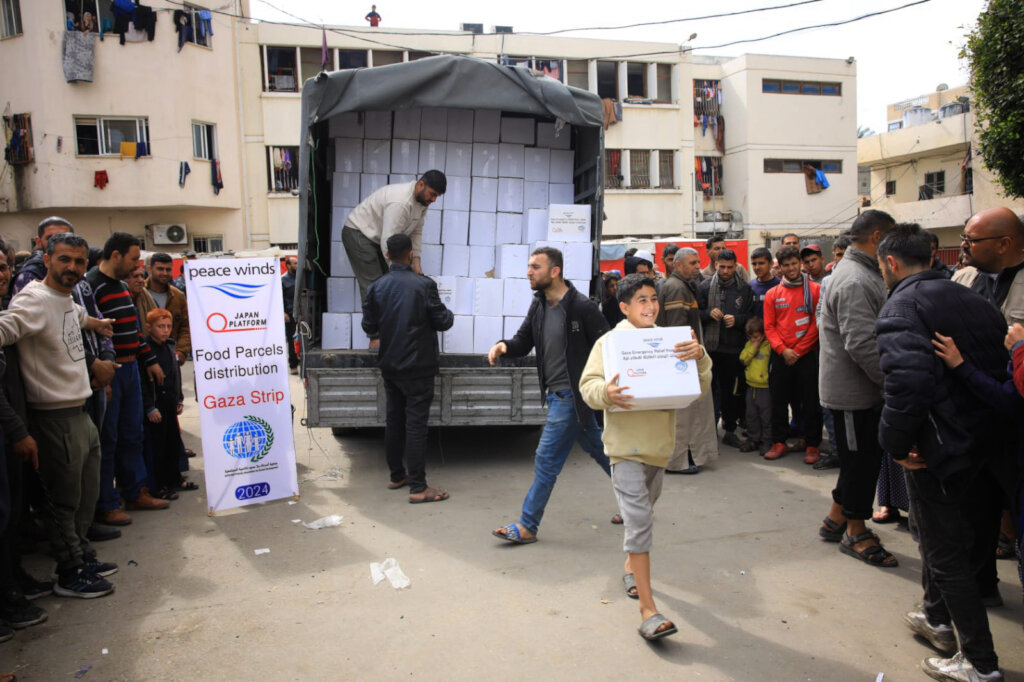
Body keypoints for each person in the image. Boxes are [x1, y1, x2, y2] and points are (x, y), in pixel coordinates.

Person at [875, 222, 1007, 682]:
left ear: (890, 263)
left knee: (945, 551)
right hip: (985, 444)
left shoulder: (902, 306)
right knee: (959, 544)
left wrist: (896, 445)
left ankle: (979, 662)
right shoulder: (976, 300)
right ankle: (935, 618)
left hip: (938, 451)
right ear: (932, 257)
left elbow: (906, 387)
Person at [579, 273, 710, 641]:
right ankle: (648, 610)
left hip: (658, 450)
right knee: (638, 521)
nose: (650, 306)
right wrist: (606, 392)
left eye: (653, 298)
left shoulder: (673, 341)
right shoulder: (610, 343)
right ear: (623, 307)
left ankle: (629, 567)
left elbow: (699, 386)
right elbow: (588, 386)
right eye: (641, 300)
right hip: (623, 450)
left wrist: (699, 356)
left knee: (646, 512)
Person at [0, 233, 117, 598]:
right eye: (64, 259)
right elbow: (8, 328)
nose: (72, 268)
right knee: (63, 503)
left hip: (79, 410)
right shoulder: (33, 299)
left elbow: (77, 316)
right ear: (47, 258)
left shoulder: (64, 299)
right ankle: (70, 572)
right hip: (53, 418)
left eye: (79, 262)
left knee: (86, 497)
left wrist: (97, 324)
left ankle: (81, 555)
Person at [489, 247, 612, 543]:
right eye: (529, 266)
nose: (529, 272)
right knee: (601, 451)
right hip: (557, 394)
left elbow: (607, 346)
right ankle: (640, 497)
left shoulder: (582, 307)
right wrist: (504, 346)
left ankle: (528, 525)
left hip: (573, 395)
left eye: (535, 267)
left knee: (546, 458)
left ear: (554, 271)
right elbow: (523, 340)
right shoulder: (539, 304)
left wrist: (603, 390)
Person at [815, 209, 899, 565]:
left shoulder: (857, 273)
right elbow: (862, 344)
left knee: (858, 460)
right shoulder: (854, 279)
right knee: (860, 463)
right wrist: (892, 382)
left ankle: (836, 517)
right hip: (853, 393)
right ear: (878, 237)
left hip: (857, 390)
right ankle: (855, 531)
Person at [362, 234, 454, 503]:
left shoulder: (376, 287)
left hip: (390, 365)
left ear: (387, 255)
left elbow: (369, 327)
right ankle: (417, 487)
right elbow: (443, 322)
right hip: (419, 366)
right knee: (415, 426)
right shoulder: (424, 285)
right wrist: (447, 313)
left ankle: (396, 475)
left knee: (394, 421)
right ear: (411, 253)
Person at [86, 233, 169, 526]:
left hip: (132, 371)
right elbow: (91, 337)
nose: (139, 266)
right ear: (116, 255)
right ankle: (107, 504)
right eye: (134, 259)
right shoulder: (90, 286)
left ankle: (135, 492)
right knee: (108, 439)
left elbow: (134, 330)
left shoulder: (121, 288)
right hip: (112, 373)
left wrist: (149, 361)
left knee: (133, 434)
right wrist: (103, 375)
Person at [0, 238, 49, 634]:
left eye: (3, 266)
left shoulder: (7, 313)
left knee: (12, 513)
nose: (1, 274)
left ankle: (14, 582)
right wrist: (17, 428)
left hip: (14, 428)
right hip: (10, 429)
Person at [342, 171, 446, 316]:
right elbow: (388, 240)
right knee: (375, 286)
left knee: (390, 284)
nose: (434, 199)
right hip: (359, 233)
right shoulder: (400, 203)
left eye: (437, 196)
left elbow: (416, 232)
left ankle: (389, 330)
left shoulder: (423, 201)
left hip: (378, 237)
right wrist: (400, 272)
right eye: (432, 194)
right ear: (421, 184)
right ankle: (375, 337)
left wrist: (416, 263)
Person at [656, 247, 718, 473]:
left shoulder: (681, 286)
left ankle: (687, 458)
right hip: (683, 359)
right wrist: (684, 362)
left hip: (689, 358)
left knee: (690, 415)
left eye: (698, 262)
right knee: (683, 417)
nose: (697, 267)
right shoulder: (675, 288)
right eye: (692, 263)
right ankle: (679, 461)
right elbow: (676, 330)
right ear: (678, 265)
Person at [762, 246, 822, 463]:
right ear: (780, 267)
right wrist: (783, 350)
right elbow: (769, 327)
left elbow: (817, 323)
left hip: (806, 354)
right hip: (781, 355)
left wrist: (798, 350)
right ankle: (779, 442)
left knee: (811, 402)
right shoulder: (772, 294)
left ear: (801, 264)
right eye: (786, 265)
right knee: (778, 401)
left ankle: (813, 444)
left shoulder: (815, 290)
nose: (791, 268)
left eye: (794, 263)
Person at [697, 248, 753, 448]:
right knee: (709, 391)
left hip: (733, 350)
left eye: (730, 267)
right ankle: (709, 429)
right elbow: (696, 315)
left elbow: (751, 317)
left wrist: (737, 320)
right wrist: (708, 314)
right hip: (711, 350)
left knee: (731, 392)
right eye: (722, 267)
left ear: (736, 266)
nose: (726, 271)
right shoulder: (704, 287)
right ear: (716, 265)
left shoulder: (744, 289)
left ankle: (729, 429)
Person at [139, 309, 190, 501]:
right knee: (157, 447)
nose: (165, 330)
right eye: (160, 327)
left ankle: (174, 479)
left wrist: (179, 398)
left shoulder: (169, 346)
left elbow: (175, 375)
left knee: (173, 443)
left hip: (170, 401)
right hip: (156, 405)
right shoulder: (145, 350)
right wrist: (149, 407)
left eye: (168, 326)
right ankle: (158, 486)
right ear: (149, 327)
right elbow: (143, 382)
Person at [146, 253, 191, 365]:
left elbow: (185, 327)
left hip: (170, 359)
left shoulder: (178, 296)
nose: (165, 273)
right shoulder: (140, 293)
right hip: (145, 359)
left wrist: (181, 351)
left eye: (168, 269)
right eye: (160, 269)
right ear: (150, 269)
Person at [739, 317, 771, 455]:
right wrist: (753, 346)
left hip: (765, 387)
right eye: (750, 337)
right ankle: (753, 439)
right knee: (751, 415)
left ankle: (767, 441)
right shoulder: (749, 345)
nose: (753, 340)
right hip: (751, 385)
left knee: (766, 416)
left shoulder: (769, 346)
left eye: (756, 337)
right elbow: (743, 359)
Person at [748, 247, 779, 318]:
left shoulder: (780, 285)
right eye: (754, 264)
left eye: (761, 263)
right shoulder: (749, 286)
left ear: (771, 263)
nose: (757, 267)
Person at [281, 255, 299, 373]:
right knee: (291, 340)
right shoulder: (283, 280)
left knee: (303, 339)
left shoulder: (300, 278)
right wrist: (283, 313)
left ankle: (301, 362)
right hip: (290, 314)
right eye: (295, 263)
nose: (297, 265)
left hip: (302, 313)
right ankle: (293, 366)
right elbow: (279, 298)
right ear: (288, 266)